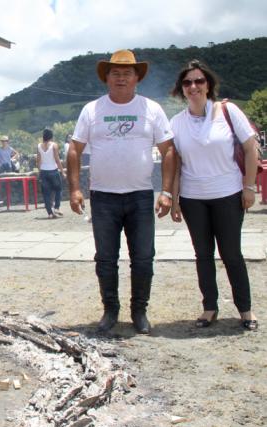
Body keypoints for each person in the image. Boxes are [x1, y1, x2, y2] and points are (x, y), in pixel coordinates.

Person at [67, 49, 175, 335]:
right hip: (102, 197)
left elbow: (169, 151)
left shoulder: (151, 109)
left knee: (143, 258)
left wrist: (166, 191)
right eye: (115, 73)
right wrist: (75, 189)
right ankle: (110, 310)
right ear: (107, 78)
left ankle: (139, 310)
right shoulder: (92, 110)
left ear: (137, 77)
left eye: (127, 73)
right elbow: (74, 149)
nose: (121, 77)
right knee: (105, 258)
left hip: (140, 195)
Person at [169, 60, 259, 330]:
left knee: (231, 253)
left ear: (208, 85)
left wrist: (250, 186)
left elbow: (250, 148)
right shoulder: (177, 122)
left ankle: (245, 310)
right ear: (181, 89)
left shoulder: (228, 111)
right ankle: (209, 307)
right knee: (203, 254)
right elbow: (176, 165)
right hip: (193, 197)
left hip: (228, 193)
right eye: (187, 83)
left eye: (199, 81)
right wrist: (174, 200)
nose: (193, 86)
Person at [37, 129, 67, 218]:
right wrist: (62, 172)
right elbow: (57, 160)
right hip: (53, 171)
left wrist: (39, 171)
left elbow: (38, 160)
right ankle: (57, 208)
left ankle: (50, 213)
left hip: (44, 171)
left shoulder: (39, 146)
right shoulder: (54, 145)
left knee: (46, 193)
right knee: (59, 189)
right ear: (51, 136)